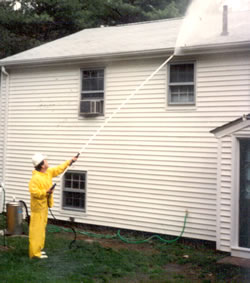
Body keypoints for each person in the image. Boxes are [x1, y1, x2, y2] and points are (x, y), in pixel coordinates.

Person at [29, 153, 79, 259]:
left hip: (44, 206)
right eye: (45, 160)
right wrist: (46, 192)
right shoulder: (35, 178)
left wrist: (70, 161)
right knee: (36, 230)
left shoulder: (48, 172)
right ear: (42, 165)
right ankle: (34, 253)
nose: (47, 162)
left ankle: (38, 249)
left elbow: (59, 169)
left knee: (41, 230)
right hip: (38, 208)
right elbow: (34, 192)